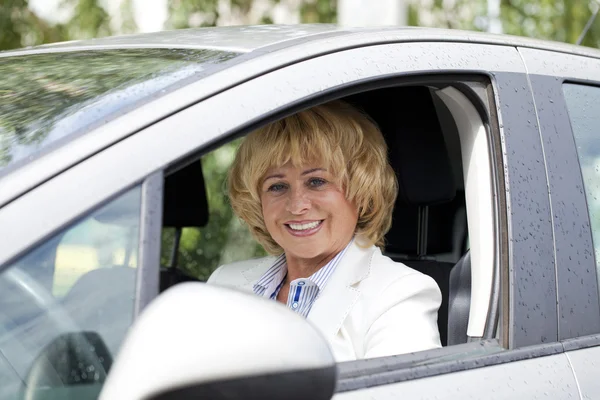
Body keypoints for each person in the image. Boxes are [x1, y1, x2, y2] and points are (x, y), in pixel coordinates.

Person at [208, 100, 442, 361]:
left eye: (316, 182)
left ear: (361, 191)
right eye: (277, 186)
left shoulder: (399, 294)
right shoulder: (222, 284)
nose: (297, 206)